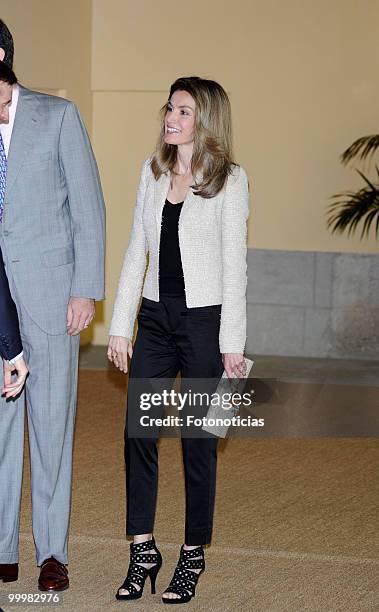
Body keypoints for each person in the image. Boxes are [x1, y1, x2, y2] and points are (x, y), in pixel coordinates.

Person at [108, 76, 249, 604]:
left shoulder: (230, 181)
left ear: (205, 120)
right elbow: (134, 251)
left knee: (197, 441)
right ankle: (143, 549)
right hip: (156, 319)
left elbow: (235, 268)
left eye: (184, 111)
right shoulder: (152, 173)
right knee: (138, 433)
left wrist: (231, 343)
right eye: (170, 107)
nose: (172, 117)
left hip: (205, 324)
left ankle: (193, 553)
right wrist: (121, 326)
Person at [0, 20, 106, 592]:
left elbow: (89, 205)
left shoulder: (57, 116)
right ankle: (2, 549)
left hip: (51, 295)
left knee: (49, 428)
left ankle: (52, 552)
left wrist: (85, 288)